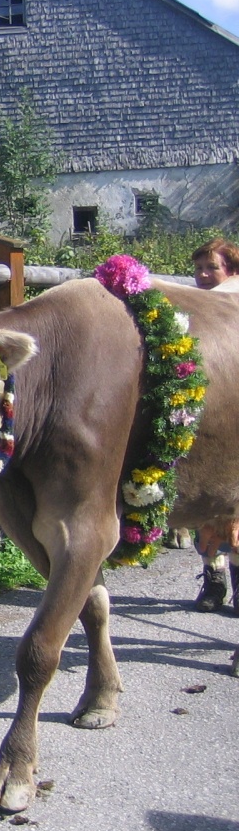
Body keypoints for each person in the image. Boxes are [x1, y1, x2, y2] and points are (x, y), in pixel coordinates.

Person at [190, 237, 239, 612]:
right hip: (202, 416)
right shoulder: (191, 311)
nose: (204, 275)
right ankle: (214, 579)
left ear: (232, 271)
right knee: (203, 504)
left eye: (212, 268)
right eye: (199, 269)